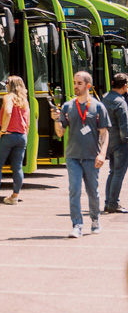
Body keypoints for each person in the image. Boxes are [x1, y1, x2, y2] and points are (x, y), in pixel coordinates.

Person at [52, 71, 110, 237]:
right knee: (74, 190)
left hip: (92, 157)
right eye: (74, 83)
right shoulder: (68, 106)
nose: (75, 86)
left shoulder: (98, 107)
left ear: (88, 86)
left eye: (79, 83)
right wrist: (56, 120)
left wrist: (102, 154)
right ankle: (77, 225)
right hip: (73, 156)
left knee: (93, 192)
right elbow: (60, 133)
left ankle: (95, 219)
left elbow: (104, 133)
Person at [0, 75, 30, 205]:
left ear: (11, 85)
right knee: (17, 167)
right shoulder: (25, 100)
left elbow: (8, 112)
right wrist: (25, 134)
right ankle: (14, 197)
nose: (5, 85)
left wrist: (3, 129)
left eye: (7, 82)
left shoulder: (8, 97)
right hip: (22, 136)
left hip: (8, 135)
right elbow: (28, 121)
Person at [102, 73, 128, 213]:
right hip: (120, 142)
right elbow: (124, 126)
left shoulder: (105, 98)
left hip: (108, 141)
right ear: (125, 85)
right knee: (118, 173)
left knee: (112, 172)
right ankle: (113, 204)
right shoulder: (120, 102)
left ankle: (108, 202)